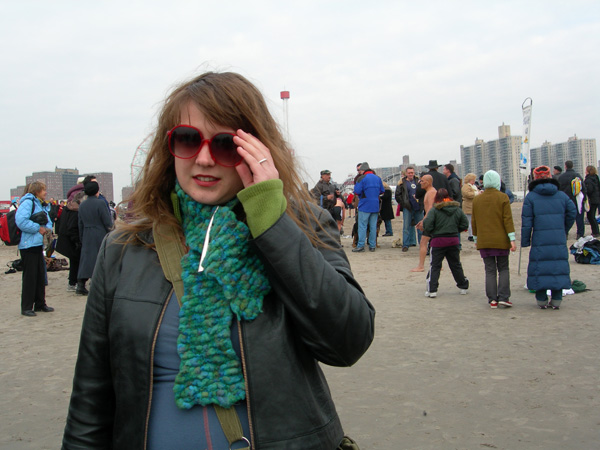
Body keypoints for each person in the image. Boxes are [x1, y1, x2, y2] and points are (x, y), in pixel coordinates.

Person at [62, 71, 375, 450]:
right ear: (169, 147)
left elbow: (347, 342)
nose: (205, 158)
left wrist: (271, 223)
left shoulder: (303, 226)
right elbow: (90, 403)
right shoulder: (123, 248)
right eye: (188, 140)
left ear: (257, 149)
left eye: (225, 144)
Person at [521, 166, 576, 310]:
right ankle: (556, 300)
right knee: (557, 267)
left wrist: (526, 240)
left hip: (539, 237)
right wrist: (564, 228)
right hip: (558, 237)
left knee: (540, 267)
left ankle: (541, 300)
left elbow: (527, 222)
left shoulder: (531, 197)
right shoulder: (562, 196)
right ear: (550, 176)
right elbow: (572, 212)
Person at [472, 170, 517, 309]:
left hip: (484, 240)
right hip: (501, 240)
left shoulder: (477, 199)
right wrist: (512, 238)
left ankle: (492, 300)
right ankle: (504, 297)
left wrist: (475, 238)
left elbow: (474, 221)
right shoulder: (503, 197)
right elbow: (507, 220)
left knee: (490, 270)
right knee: (503, 268)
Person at [15, 181, 54, 316]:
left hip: (37, 244)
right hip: (28, 245)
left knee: (39, 275)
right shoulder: (28, 203)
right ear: (37, 191)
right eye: (43, 190)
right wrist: (38, 228)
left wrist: (46, 227)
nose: (45, 192)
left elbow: (47, 221)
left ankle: (40, 303)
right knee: (30, 277)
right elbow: (21, 221)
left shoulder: (39, 204)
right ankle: (26, 307)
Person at [422, 188, 469, 298]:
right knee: (455, 264)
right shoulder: (457, 209)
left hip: (438, 241)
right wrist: (455, 230)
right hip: (453, 239)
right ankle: (463, 286)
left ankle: (432, 290)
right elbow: (465, 224)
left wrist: (433, 232)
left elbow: (428, 225)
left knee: (435, 265)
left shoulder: (434, 210)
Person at [76, 181, 113, 295]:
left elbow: (80, 223)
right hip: (99, 232)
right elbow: (107, 221)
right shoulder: (100, 204)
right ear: (97, 191)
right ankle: (99, 284)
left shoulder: (82, 204)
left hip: (87, 233)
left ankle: (81, 284)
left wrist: (82, 236)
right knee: (100, 258)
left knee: (86, 259)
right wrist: (111, 232)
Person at [56, 191, 85, 292]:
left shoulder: (68, 207)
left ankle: (73, 283)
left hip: (66, 239)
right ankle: (73, 283)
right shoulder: (75, 210)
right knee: (75, 262)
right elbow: (72, 228)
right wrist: (77, 241)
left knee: (74, 262)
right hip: (71, 240)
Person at [353, 162, 384, 252]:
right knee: (373, 226)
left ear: (363, 170)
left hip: (364, 204)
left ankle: (361, 245)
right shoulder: (377, 178)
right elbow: (382, 190)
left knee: (362, 225)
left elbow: (357, 191)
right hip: (375, 205)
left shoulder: (361, 178)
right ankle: (372, 245)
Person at [410, 174, 436, 272]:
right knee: (433, 243)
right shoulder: (429, 192)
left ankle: (421, 266)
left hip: (431, 220)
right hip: (431, 219)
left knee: (423, 242)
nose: (420, 183)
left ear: (428, 182)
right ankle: (437, 264)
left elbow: (430, 209)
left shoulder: (431, 193)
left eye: (422, 181)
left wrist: (423, 221)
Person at [395, 166, 422, 251]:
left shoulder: (418, 181)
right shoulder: (402, 183)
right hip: (408, 207)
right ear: (406, 173)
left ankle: (422, 244)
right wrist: (403, 203)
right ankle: (405, 245)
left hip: (418, 207)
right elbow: (397, 195)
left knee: (420, 227)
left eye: (412, 172)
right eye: (409, 173)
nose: (411, 174)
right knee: (406, 227)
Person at [558, 160, 587, 239]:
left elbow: (558, 189)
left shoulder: (561, 177)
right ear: (572, 166)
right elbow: (583, 188)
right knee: (579, 217)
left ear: (565, 166)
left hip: (565, 199)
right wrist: (584, 198)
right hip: (576, 199)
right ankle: (580, 234)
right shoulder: (577, 175)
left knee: (565, 216)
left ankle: (565, 233)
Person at [461, 173, 479, 241]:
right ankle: (471, 235)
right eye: (472, 180)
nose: (474, 181)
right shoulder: (465, 186)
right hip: (468, 206)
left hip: (473, 205)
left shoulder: (472, 186)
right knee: (470, 221)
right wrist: (476, 193)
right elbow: (467, 194)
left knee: (473, 221)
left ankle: (474, 234)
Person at [584, 165, 600, 237]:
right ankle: (596, 231)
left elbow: (589, 190)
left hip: (592, 200)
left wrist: (585, 191)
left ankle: (595, 232)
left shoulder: (588, 180)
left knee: (590, 216)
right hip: (597, 199)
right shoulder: (596, 178)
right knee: (592, 216)